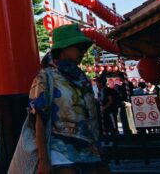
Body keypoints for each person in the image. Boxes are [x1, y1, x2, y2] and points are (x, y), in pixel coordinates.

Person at [28, 24, 108, 174]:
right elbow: (39, 120)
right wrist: (43, 160)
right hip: (60, 152)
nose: (83, 52)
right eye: (79, 48)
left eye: (84, 48)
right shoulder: (45, 77)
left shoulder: (83, 78)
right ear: (64, 48)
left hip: (90, 150)